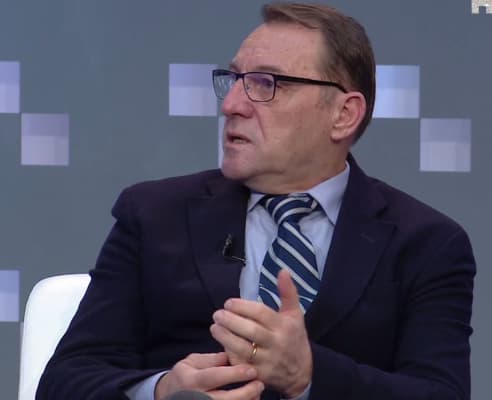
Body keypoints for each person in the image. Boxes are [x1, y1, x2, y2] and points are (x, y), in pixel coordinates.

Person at [36, 2, 475, 400]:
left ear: (343, 115)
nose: (231, 104)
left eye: (266, 83)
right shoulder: (153, 215)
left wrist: (309, 376)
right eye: (233, 81)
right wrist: (161, 391)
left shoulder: (427, 244)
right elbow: (65, 381)